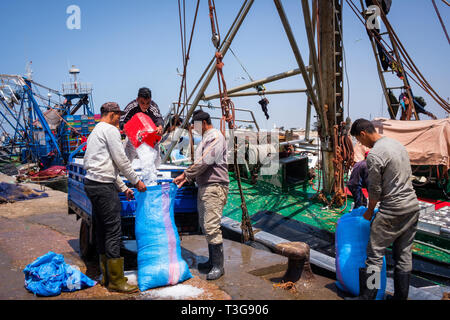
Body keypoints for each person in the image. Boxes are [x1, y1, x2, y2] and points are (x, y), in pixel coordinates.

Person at [348, 118, 419, 300]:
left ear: (363, 134)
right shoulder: (397, 144)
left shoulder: (375, 154)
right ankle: (400, 298)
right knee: (403, 255)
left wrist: (369, 211)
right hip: (412, 207)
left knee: (374, 254)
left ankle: (368, 297)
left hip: (392, 211)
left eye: (358, 140)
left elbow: (375, 190)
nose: (360, 144)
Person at [83, 102, 147, 293]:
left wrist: (122, 187)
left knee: (102, 229)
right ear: (111, 114)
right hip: (103, 187)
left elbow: (108, 164)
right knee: (113, 230)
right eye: (118, 115)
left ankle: (106, 276)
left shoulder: (96, 131)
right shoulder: (110, 130)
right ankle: (117, 281)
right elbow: (121, 160)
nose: (119, 119)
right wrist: (136, 182)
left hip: (93, 184)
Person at [173, 110, 229, 281]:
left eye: (197, 125)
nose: (195, 129)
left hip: (214, 186)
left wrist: (186, 174)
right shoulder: (206, 138)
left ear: (204, 123)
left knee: (211, 226)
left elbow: (205, 161)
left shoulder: (215, 137)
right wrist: (189, 177)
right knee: (206, 225)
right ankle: (212, 261)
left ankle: (219, 266)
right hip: (205, 186)